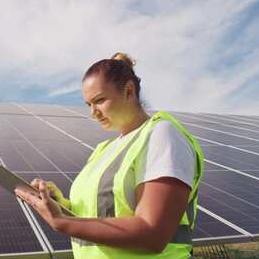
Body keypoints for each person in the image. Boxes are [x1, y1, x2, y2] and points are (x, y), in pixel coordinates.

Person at [15, 52, 204, 258]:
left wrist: (61, 221)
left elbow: (153, 234)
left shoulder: (161, 134)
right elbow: (95, 216)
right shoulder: (103, 150)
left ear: (129, 91)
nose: (92, 112)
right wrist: (60, 204)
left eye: (100, 100)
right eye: (88, 104)